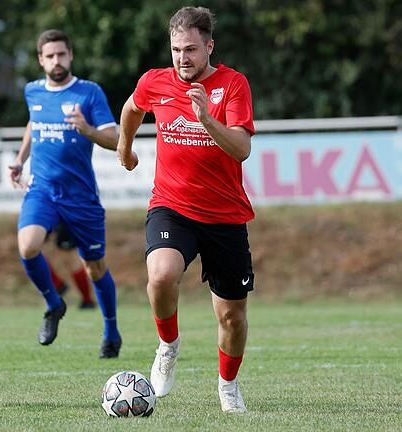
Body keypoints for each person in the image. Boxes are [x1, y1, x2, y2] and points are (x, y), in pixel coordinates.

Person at [117, 7, 256, 413]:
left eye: (191, 49)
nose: (183, 58)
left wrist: (207, 120)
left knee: (231, 318)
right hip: (172, 206)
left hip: (225, 216)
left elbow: (242, 149)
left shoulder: (232, 85)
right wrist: (125, 150)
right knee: (160, 275)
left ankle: (228, 387)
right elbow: (131, 109)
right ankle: (168, 345)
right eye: (177, 49)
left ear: (209, 47)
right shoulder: (155, 81)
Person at [8, 29, 122, 358]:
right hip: (42, 190)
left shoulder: (89, 93)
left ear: (70, 55)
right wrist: (19, 160)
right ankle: (54, 303)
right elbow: (33, 124)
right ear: (41, 60)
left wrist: (87, 130)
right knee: (27, 246)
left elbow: (114, 139)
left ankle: (111, 332)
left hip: (80, 196)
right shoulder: (32, 91)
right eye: (50, 56)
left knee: (95, 267)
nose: (56, 61)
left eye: (61, 54)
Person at [45, 224, 97, 309]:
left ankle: (87, 300)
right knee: (34, 250)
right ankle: (58, 284)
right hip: (44, 214)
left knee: (71, 258)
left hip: (65, 217)